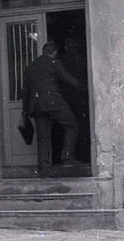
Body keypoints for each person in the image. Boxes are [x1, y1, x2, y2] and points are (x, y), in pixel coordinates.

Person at [21, 40, 85, 174]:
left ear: (43, 52)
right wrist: (83, 87)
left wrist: (25, 111)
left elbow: (25, 93)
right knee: (72, 124)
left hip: (37, 105)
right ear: (54, 53)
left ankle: (44, 168)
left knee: (43, 136)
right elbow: (67, 78)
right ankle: (67, 157)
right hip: (53, 102)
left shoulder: (30, 66)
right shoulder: (54, 63)